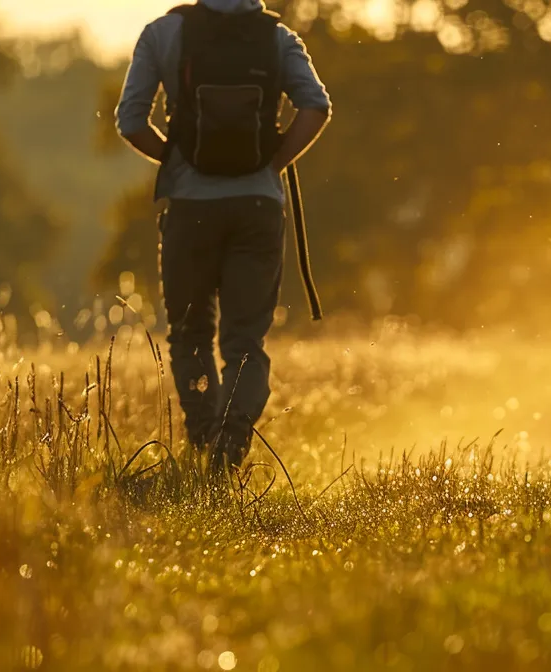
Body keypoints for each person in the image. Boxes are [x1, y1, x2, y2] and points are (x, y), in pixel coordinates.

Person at [115, 0, 331, 473]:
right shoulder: (277, 38)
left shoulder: (162, 33)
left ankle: (204, 438)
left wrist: (176, 159)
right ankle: (231, 443)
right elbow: (316, 106)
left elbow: (130, 120)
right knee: (245, 340)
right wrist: (272, 164)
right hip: (258, 207)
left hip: (190, 207)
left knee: (190, 333)